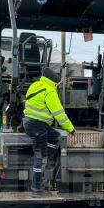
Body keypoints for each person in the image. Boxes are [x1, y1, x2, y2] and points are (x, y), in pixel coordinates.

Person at [22, 67, 75, 197]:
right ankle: (37, 189)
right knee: (40, 158)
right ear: (53, 81)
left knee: (55, 137)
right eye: (58, 83)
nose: (59, 86)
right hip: (37, 126)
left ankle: (47, 159)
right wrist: (70, 128)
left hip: (32, 122)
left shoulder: (35, 85)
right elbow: (59, 113)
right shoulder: (50, 91)